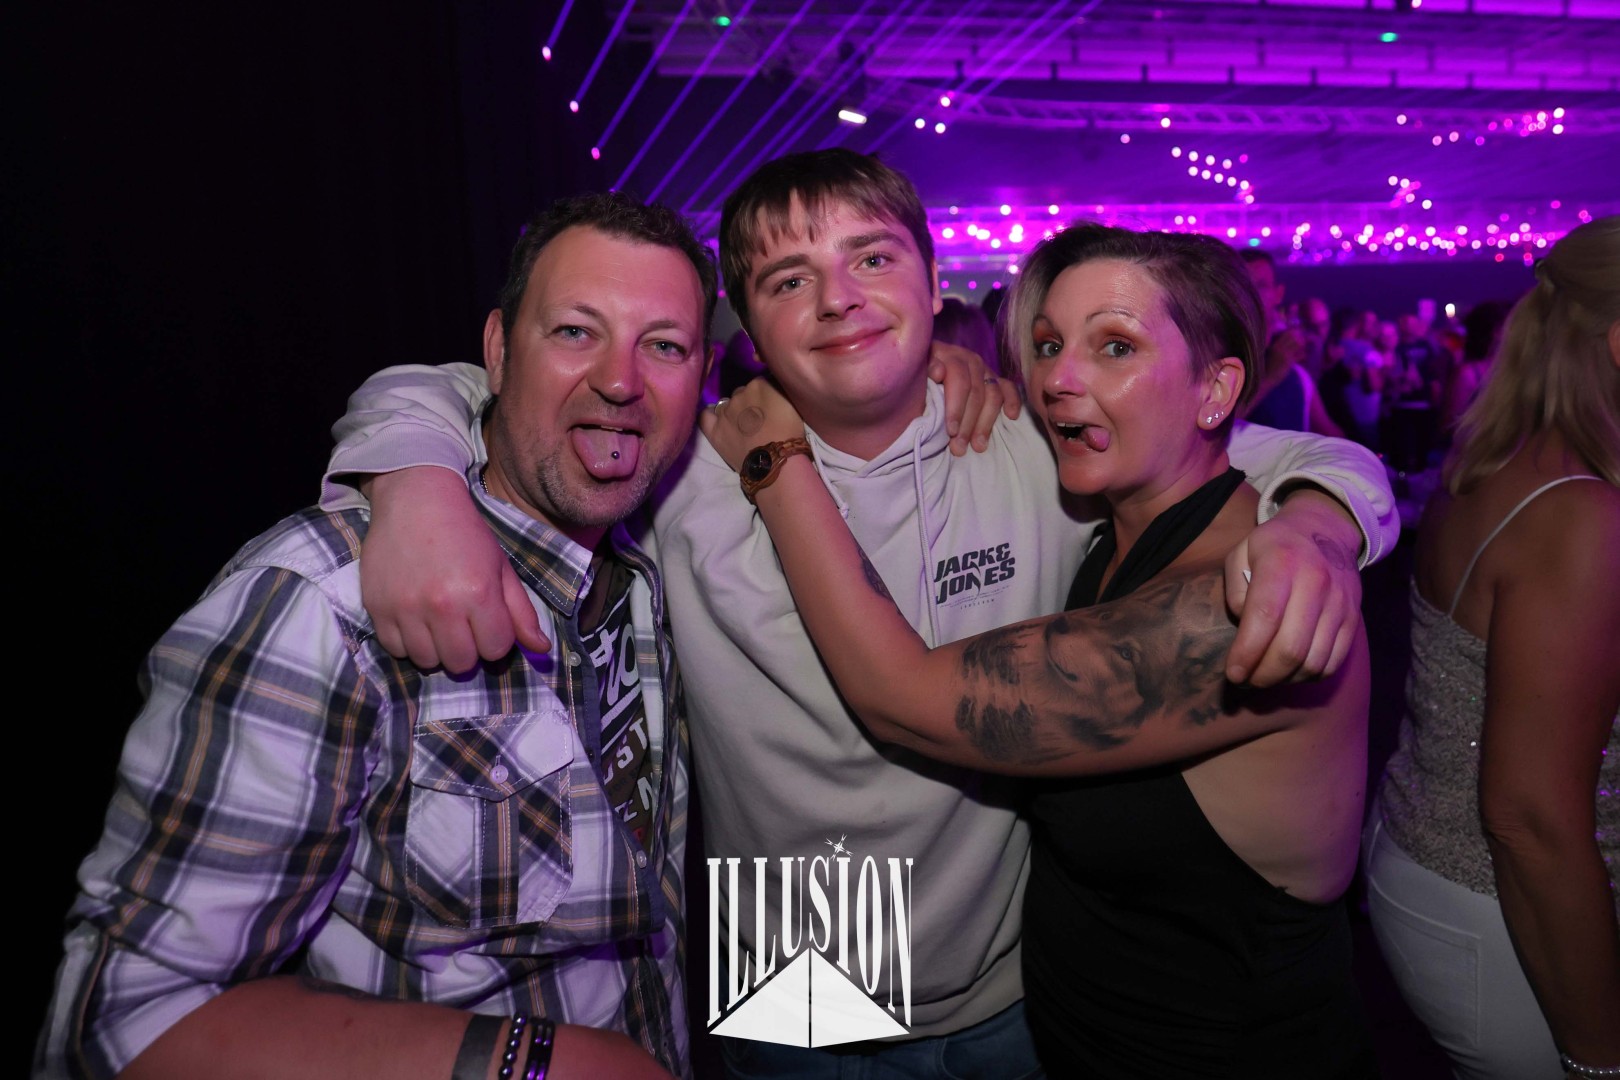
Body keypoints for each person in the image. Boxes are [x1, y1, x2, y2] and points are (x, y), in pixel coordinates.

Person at [320, 149, 1397, 1077]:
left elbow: (1256, 448)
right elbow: (490, 392)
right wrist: (413, 478)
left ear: (933, 282)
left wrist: (1321, 520)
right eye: (790, 279)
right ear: (744, 332)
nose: (838, 299)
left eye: (873, 260)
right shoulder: (682, 468)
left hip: (1016, 987)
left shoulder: (1041, 446)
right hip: (792, 990)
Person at [34, 192, 713, 1080]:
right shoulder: (318, 601)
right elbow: (118, 1025)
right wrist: (540, 1062)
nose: (620, 379)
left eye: (663, 345)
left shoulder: (651, 554)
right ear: (498, 351)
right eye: (575, 332)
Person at [701, 223, 1378, 1076]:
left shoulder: (1236, 609)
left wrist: (777, 463)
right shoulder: (1107, 528)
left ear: (1216, 389)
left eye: (1115, 346)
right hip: (1004, 1029)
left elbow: (902, 698)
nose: (1057, 377)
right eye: (1050, 345)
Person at [1363, 215, 1620, 1080]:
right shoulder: (1582, 516)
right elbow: (1529, 816)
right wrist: (1600, 1054)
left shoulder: (1499, 458)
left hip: (1431, 861)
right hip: (1507, 910)